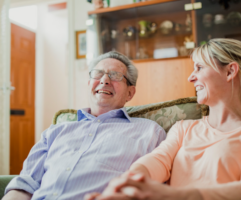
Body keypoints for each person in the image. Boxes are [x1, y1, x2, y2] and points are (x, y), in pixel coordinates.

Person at [86, 38, 241, 200]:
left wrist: (174, 195)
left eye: (199, 68)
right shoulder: (184, 128)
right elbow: (156, 161)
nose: (190, 77)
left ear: (230, 71)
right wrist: (128, 185)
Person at [3, 51, 166, 200]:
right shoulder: (55, 131)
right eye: (98, 74)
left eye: (115, 75)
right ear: (89, 84)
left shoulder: (150, 132)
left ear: (130, 93)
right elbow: (24, 185)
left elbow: (157, 189)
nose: (104, 80)